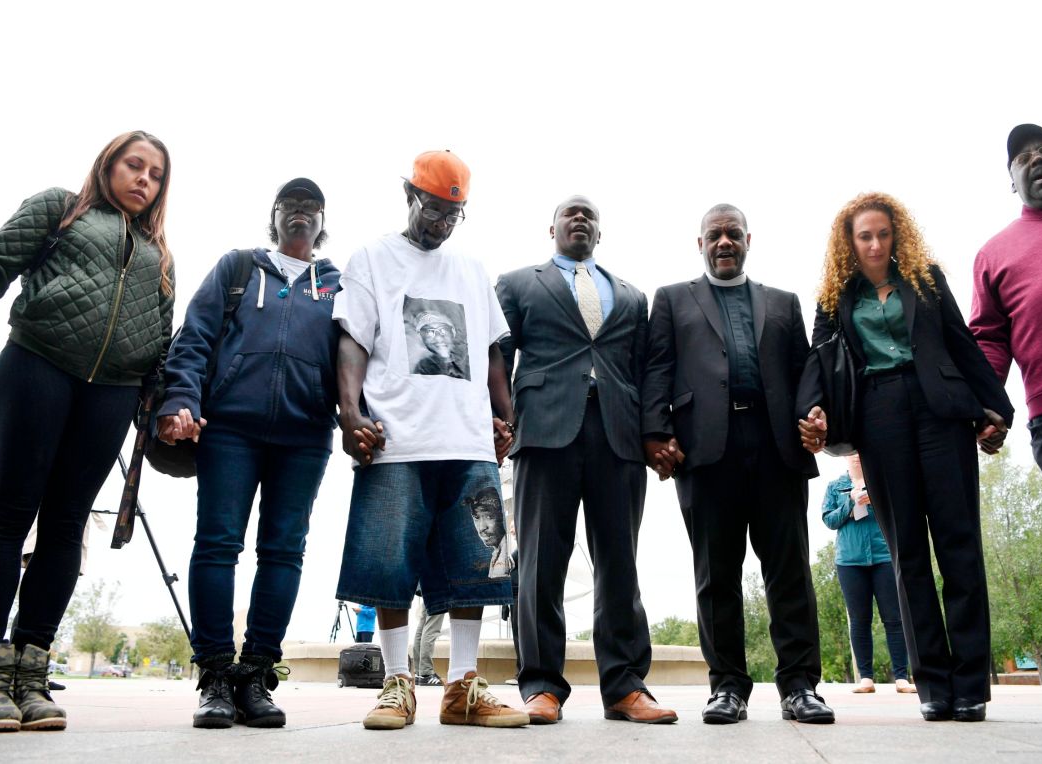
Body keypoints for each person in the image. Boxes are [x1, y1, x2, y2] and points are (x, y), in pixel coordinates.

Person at [0, 131, 174, 733]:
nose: (143, 179)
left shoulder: (160, 254)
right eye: (134, 165)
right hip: (36, 367)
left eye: (156, 174)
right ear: (107, 164)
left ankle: (31, 674)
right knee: (9, 512)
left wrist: (169, 406)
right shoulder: (61, 207)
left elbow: (163, 343)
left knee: (66, 526)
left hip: (109, 394)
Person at [798, 192, 1013, 723]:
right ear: (849, 243)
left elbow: (962, 343)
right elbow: (818, 358)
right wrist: (813, 408)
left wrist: (997, 408)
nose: (875, 244)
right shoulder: (835, 296)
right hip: (879, 418)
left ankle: (970, 686)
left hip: (941, 411)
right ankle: (933, 686)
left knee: (960, 543)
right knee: (908, 553)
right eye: (864, 236)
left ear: (898, 235)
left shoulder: (927, 279)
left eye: (883, 233)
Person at [332, 150, 528, 731]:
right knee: (388, 562)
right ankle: (396, 684)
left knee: (482, 563)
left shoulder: (470, 268)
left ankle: (464, 686)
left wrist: (505, 415)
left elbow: (493, 350)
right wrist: (349, 414)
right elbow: (352, 341)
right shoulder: (371, 258)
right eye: (434, 209)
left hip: (468, 443)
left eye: (453, 214)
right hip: (397, 438)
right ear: (408, 196)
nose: (441, 223)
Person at [158, 178, 341, 729]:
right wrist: (181, 398)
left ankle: (257, 675)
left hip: (306, 434)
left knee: (284, 552)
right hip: (229, 428)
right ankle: (214, 676)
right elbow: (195, 335)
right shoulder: (237, 268)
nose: (300, 215)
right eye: (291, 207)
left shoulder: (338, 283)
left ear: (322, 221)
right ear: (275, 216)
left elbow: (363, 354)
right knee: (217, 545)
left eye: (311, 209)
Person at [641, 203, 832, 725]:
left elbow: (806, 371)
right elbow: (658, 366)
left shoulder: (783, 303)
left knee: (789, 572)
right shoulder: (673, 300)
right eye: (713, 235)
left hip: (777, 450)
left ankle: (799, 687)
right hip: (705, 453)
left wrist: (816, 415)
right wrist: (657, 434)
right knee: (716, 576)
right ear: (699, 243)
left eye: (732, 234)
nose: (723, 242)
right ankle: (727, 687)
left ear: (748, 239)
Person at [496, 195, 675, 725]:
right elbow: (499, 357)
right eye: (570, 214)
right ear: (550, 227)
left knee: (619, 562)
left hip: (617, 437)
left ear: (600, 233)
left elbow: (647, 370)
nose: (580, 220)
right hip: (544, 431)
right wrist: (499, 419)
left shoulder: (631, 295)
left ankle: (624, 686)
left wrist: (653, 433)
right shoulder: (518, 284)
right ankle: (542, 685)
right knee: (540, 562)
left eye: (589, 216)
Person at [971, 123, 1042, 575]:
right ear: (1012, 182)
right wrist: (987, 407)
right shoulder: (994, 254)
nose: (1035, 158)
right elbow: (989, 339)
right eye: (1022, 158)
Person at [822, 455, 914, 694]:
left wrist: (878, 501)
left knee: (893, 618)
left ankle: (902, 677)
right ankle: (866, 678)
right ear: (845, 457)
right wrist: (850, 504)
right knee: (859, 619)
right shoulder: (835, 486)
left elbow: (899, 509)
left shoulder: (881, 481)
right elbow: (829, 520)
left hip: (883, 556)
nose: (856, 458)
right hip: (850, 562)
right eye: (851, 454)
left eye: (859, 454)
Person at [410, 595, 444, 686]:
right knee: (432, 626)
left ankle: (419, 673)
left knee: (423, 623)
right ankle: (426, 674)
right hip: (438, 586)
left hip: (426, 586)